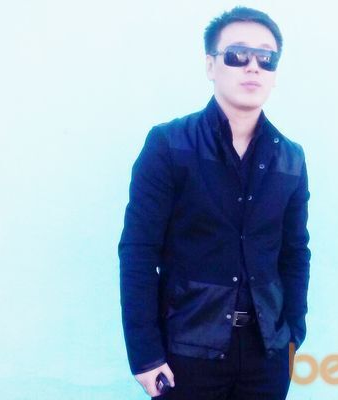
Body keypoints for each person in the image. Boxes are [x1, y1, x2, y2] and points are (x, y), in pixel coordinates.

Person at [118, 6, 311, 399]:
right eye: (238, 54)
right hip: (186, 353)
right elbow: (138, 251)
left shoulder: (290, 158)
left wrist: (293, 334)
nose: (253, 66)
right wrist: (145, 355)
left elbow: (295, 253)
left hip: (267, 354)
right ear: (211, 65)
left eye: (267, 58)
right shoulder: (169, 145)